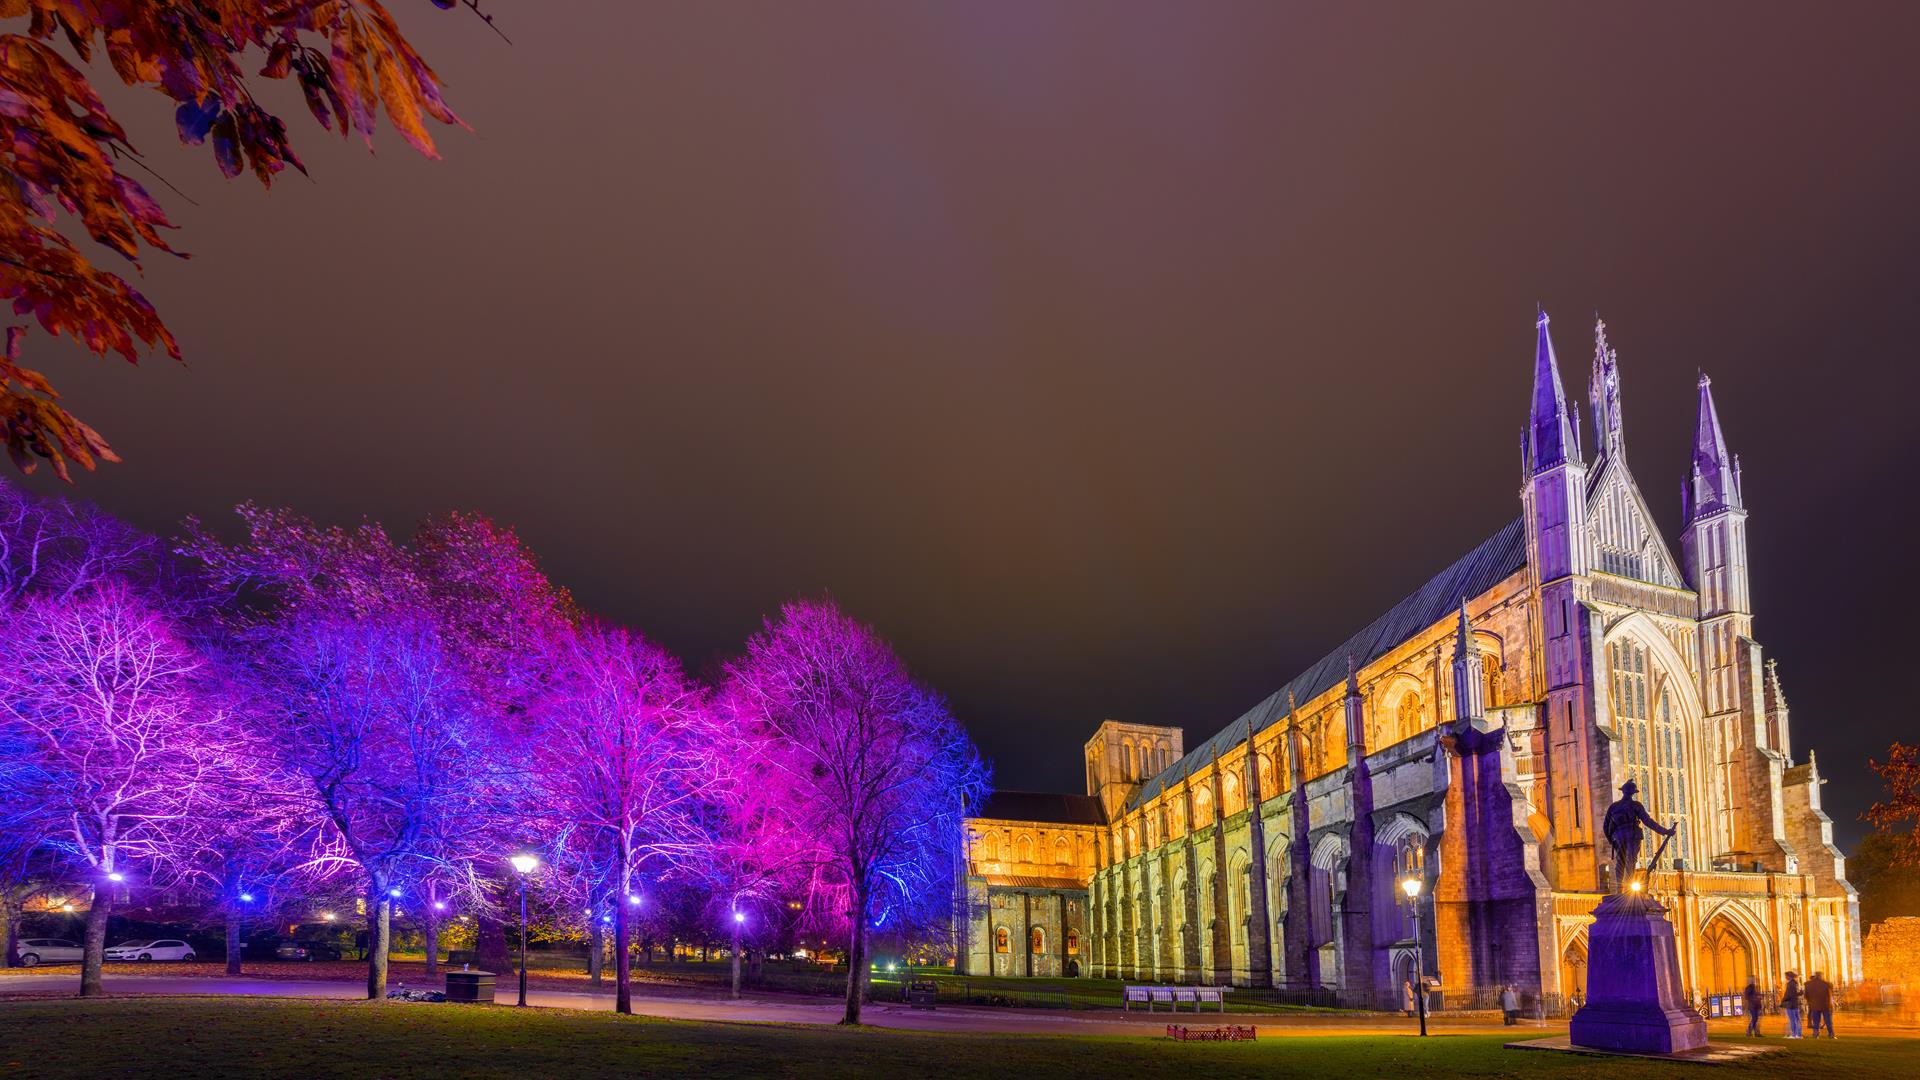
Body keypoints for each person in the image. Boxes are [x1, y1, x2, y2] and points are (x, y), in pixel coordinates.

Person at [1601, 780, 1676, 892]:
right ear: (1633, 793)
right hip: (1632, 835)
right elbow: (1648, 822)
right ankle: (1628, 889)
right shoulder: (1635, 805)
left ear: (1623, 792)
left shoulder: (1613, 807)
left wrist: (1612, 841)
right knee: (1630, 861)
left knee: (1620, 862)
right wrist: (1664, 831)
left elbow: (1605, 827)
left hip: (1619, 837)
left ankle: (1619, 889)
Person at [1804, 971, 1834, 1039]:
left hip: (1814, 1005)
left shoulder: (1808, 984)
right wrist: (1830, 1004)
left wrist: (1811, 1002)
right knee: (1828, 1020)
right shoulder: (1826, 984)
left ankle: (1815, 1034)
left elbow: (1806, 996)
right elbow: (1829, 995)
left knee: (1816, 1021)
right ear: (1821, 976)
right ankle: (1831, 1034)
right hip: (1825, 1005)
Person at [1780, 971, 1803, 1038]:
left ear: (1789, 976)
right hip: (1795, 1004)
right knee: (1797, 1019)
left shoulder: (1790, 984)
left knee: (1792, 1020)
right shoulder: (1795, 983)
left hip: (1790, 1004)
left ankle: (1794, 1034)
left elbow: (1789, 994)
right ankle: (1799, 1034)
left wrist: (1783, 1000)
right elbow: (1795, 994)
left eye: (1786, 976)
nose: (1785, 977)